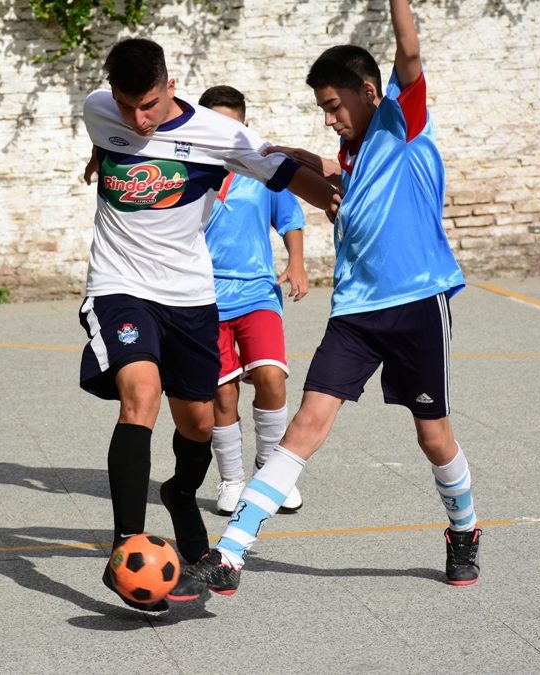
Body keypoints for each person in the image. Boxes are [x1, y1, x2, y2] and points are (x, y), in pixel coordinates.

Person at [169, 0, 481, 601]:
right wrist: (258, 149)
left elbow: (410, 55)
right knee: (306, 424)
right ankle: (231, 554)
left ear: (368, 91)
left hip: (417, 304)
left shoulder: (402, 123)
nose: (330, 119)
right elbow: (315, 172)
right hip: (355, 313)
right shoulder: (349, 158)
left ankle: (464, 530)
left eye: (335, 106)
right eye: (323, 110)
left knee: (433, 436)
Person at [79, 38, 336, 612]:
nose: (136, 119)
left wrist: (336, 203)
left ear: (171, 87)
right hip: (119, 288)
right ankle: (126, 548)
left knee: (197, 424)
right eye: (126, 106)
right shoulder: (100, 108)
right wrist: (101, 153)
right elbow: (105, 133)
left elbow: (286, 172)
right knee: (140, 394)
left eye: (147, 105)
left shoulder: (218, 136)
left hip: (192, 299)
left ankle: (180, 494)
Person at [196, 85, 307, 517]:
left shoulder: (262, 168)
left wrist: (296, 263)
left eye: (233, 124)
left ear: (244, 125)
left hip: (257, 290)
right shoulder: (186, 168)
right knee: (222, 394)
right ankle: (231, 480)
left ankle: (270, 472)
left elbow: (291, 218)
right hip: (202, 298)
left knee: (270, 376)